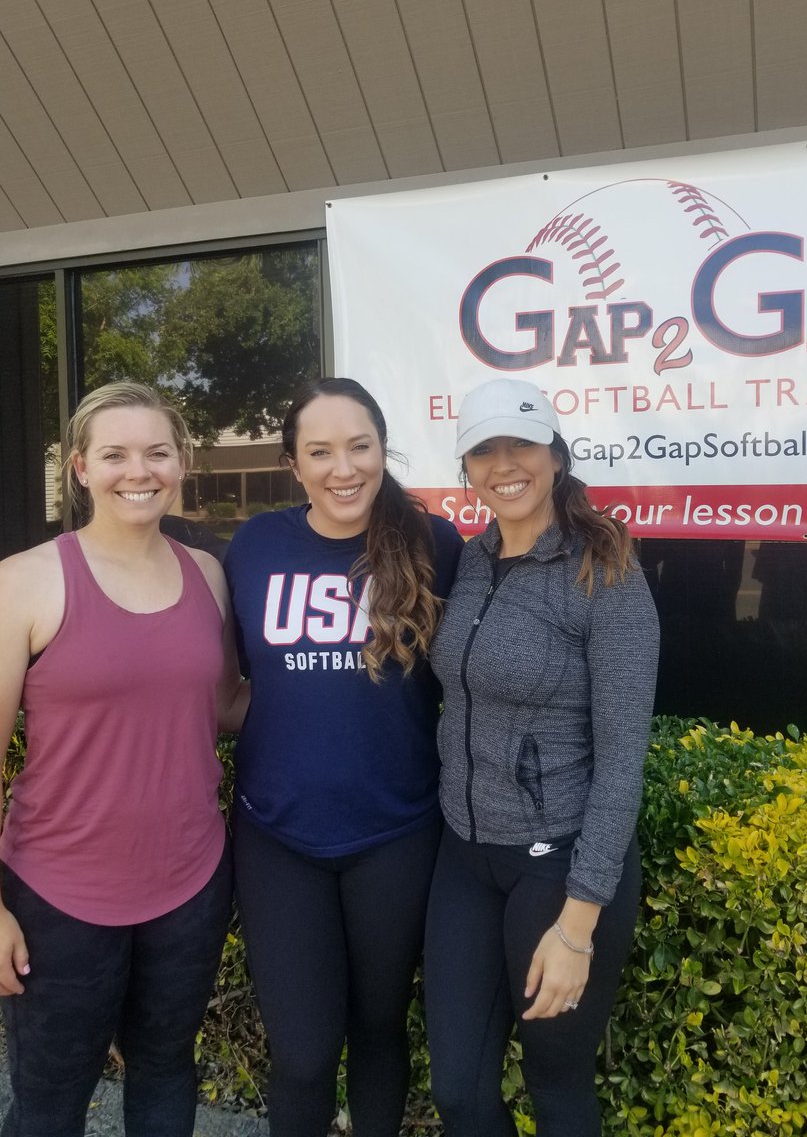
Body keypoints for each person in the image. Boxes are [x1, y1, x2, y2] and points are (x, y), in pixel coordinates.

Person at [0, 382, 247, 1137]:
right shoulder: (21, 583)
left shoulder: (207, 576)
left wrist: (343, 696)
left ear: (183, 462)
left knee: (166, 1072)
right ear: (80, 468)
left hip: (190, 886)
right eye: (116, 454)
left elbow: (225, 707)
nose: (140, 470)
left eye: (157, 452)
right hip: (57, 895)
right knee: (50, 1103)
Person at [224, 377, 464, 1137]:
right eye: (319, 451)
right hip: (277, 836)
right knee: (300, 1053)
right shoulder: (256, 546)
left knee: (379, 1030)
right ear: (294, 465)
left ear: (382, 450)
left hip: (396, 833)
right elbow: (221, 676)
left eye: (359, 446)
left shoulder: (435, 544)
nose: (343, 468)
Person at [425, 378, 660, 1137]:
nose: (504, 465)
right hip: (464, 857)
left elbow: (625, 757)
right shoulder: (469, 560)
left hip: (558, 869)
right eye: (483, 451)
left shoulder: (605, 570)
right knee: (459, 1090)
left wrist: (577, 925)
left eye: (520, 445)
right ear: (467, 470)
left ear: (554, 455)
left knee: (555, 1084)